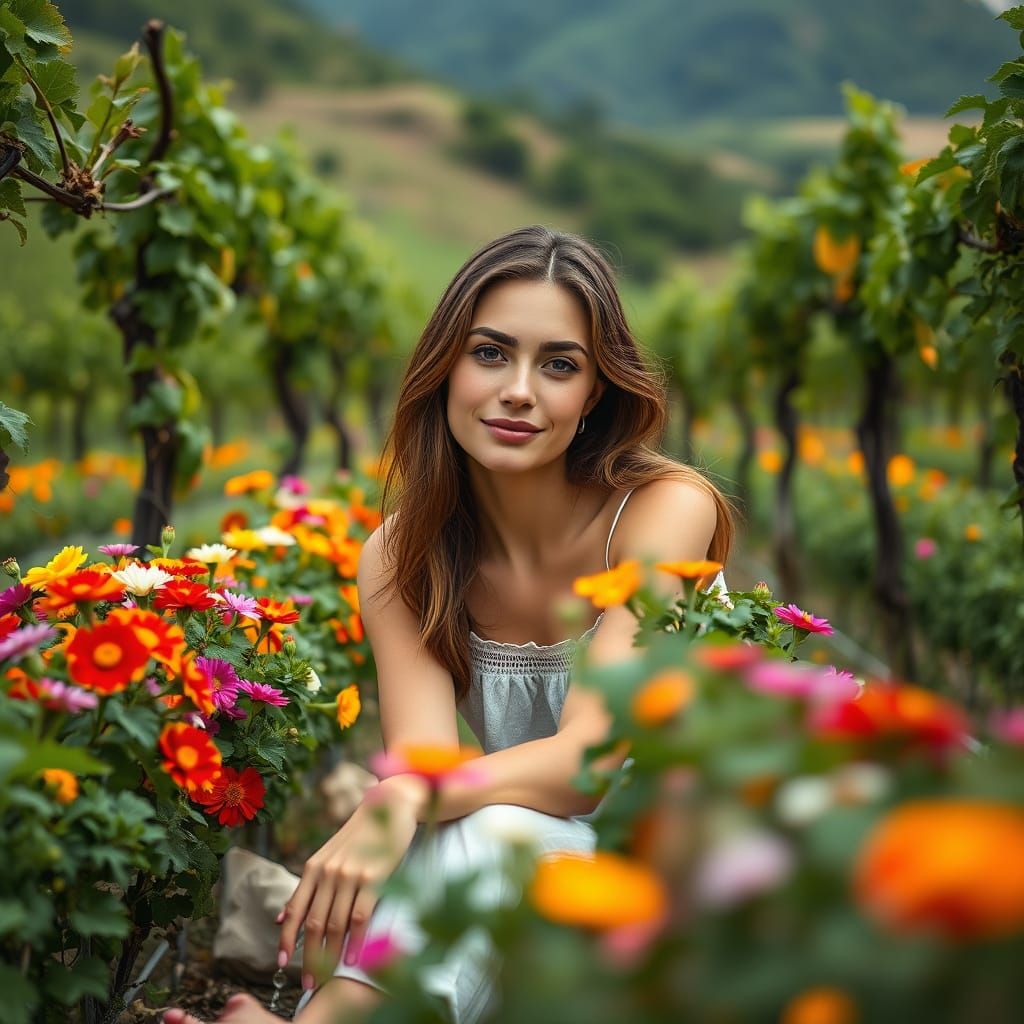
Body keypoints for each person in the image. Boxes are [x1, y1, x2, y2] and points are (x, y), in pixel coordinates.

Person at [163, 224, 736, 1024]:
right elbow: (432, 763)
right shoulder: (403, 554)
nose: (520, 391)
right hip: (515, 879)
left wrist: (399, 798)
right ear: (446, 366)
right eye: (491, 353)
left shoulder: (664, 509)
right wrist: (407, 796)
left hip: (668, 878)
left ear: (596, 392)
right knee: (459, 827)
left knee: (468, 821)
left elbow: (583, 769)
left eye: (559, 365)